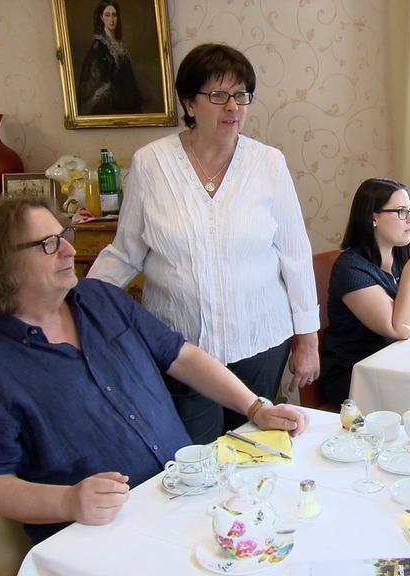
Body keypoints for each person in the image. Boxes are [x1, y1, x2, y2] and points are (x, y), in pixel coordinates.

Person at [0, 196, 308, 545]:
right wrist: (68, 501)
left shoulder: (101, 299)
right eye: (48, 244)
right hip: (101, 536)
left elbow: (181, 355)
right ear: (0, 263)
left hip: (185, 498)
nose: (69, 249)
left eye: (65, 236)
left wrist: (255, 408)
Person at [88, 43, 319, 443]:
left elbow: (295, 256)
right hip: (181, 348)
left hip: (260, 340)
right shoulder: (151, 164)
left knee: (257, 450)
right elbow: (125, 252)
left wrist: (308, 340)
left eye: (241, 95)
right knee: (193, 457)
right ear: (188, 103)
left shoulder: (268, 164)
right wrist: (80, 304)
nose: (233, 107)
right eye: (217, 95)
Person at [318, 178, 410, 404]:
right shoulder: (350, 269)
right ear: (373, 217)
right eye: (401, 212)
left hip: (390, 363)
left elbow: (401, 295)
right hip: (354, 376)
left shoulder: (400, 253)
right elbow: (399, 328)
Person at [77, 0, 142, 115]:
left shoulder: (120, 45)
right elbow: (98, 83)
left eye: (114, 15)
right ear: (101, 18)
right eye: (107, 15)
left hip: (128, 105)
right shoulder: (98, 47)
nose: (111, 20)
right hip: (111, 106)